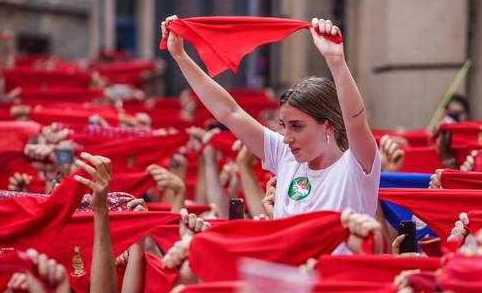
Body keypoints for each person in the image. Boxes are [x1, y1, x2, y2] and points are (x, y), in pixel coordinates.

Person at [161, 16, 380, 220]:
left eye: (297, 126)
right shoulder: (287, 158)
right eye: (284, 126)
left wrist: (336, 61)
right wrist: (180, 56)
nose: (286, 138)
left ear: (328, 127)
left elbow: (355, 121)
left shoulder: (357, 167)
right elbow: (229, 112)